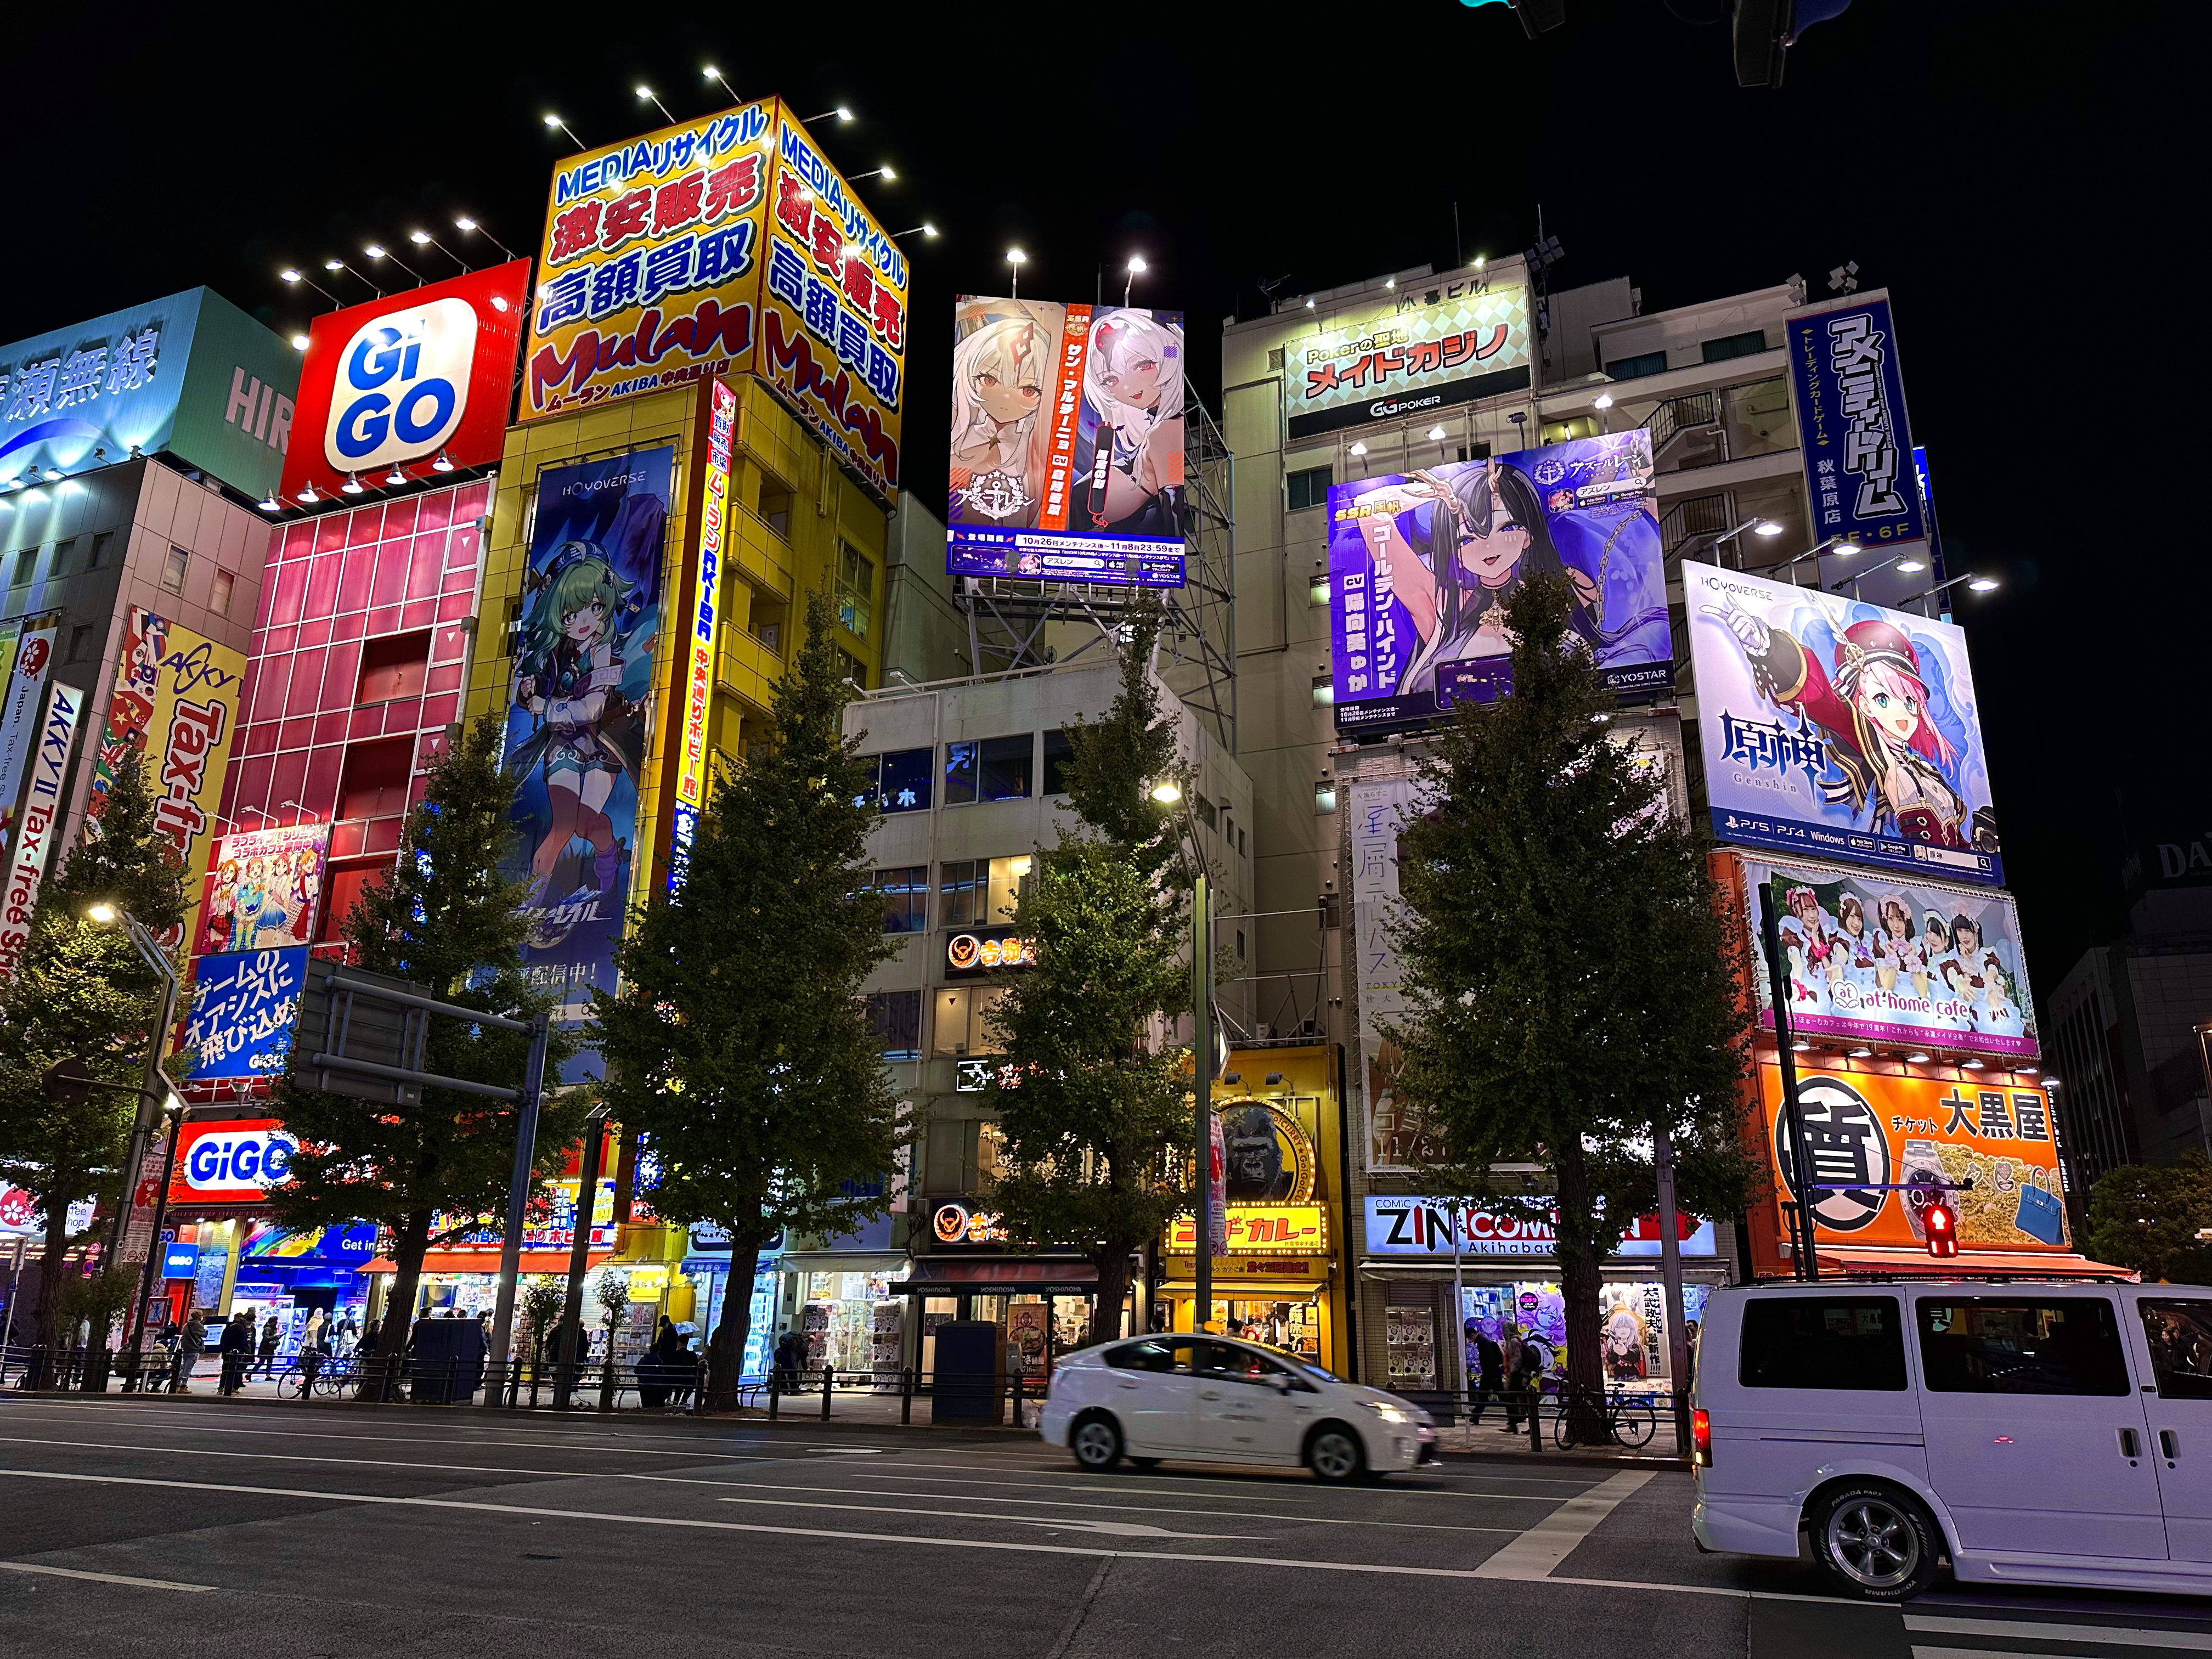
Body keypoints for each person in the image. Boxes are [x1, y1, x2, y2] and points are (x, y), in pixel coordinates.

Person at [1468, 1323, 1505, 1426]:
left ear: (1473, 1335)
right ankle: (1475, 1415)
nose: (1470, 1341)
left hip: (1490, 1374)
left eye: (1470, 1338)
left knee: (1486, 1395)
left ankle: (1516, 1416)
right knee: (1487, 1395)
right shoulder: (1484, 1340)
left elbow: (1487, 1359)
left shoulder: (1482, 1342)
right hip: (1493, 1373)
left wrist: (1486, 1371)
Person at [217, 1311, 253, 1396]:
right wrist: (244, 1351)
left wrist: (223, 1350)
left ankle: (222, 1387)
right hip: (236, 1353)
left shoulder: (228, 1327)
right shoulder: (240, 1328)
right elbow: (242, 1341)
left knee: (226, 1370)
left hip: (227, 1352)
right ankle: (233, 1387)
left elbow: (223, 1340)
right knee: (236, 1370)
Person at [173, 1311, 206, 1394]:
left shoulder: (186, 1325)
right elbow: (204, 1334)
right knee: (188, 1368)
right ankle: (183, 1386)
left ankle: (177, 1383)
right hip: (194, 1349)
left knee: (184, 1367)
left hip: (186, 1349)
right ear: (199, 1316)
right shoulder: (197, 1325)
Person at [252, 1315, 281, 1381]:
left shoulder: (272, 1328)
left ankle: (267, 1375)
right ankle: (250, 1374)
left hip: (269, 1348)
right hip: (266, 1348)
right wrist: (275, 1336)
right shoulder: (268, 1329)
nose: (276, 1322)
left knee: (267, 1362)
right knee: (263, 1362)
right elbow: (266, 1338)